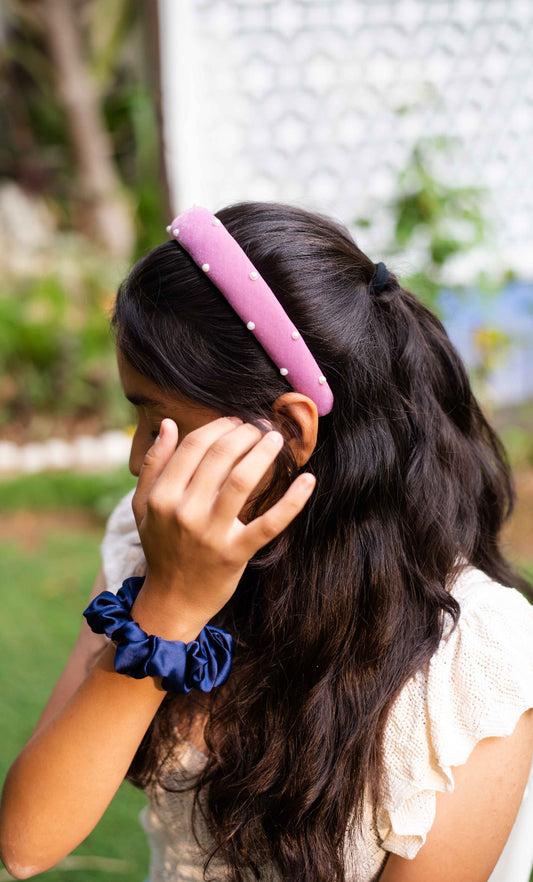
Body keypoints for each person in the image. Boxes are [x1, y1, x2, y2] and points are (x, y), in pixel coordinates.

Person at [1, 202, 532, 882]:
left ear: (290, 429)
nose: (138, 459)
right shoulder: (148, 546)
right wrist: (168, 609)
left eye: (157, 421)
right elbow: (26, 842)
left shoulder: (473, 659)